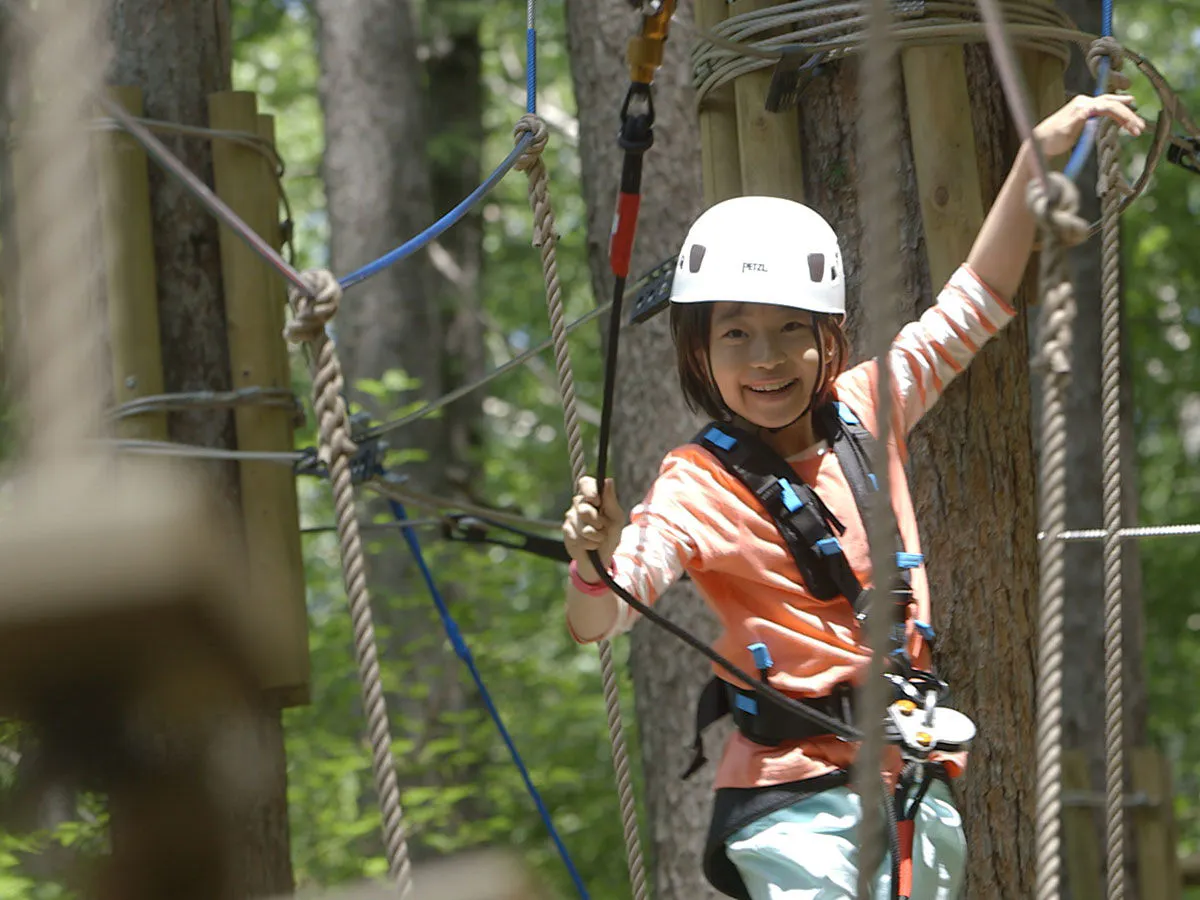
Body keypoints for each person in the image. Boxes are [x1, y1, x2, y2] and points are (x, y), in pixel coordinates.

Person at [562, 94, 1144, 899]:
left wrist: (1032, 159)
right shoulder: (694, 485)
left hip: (912, 773)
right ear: (701, 349)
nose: (766, 359)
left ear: (825, 336)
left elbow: (973, 303)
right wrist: (595, 562)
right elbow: (605, 615)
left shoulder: (868, 411)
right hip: (790, 799)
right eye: (735, 333)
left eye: (789, 330)